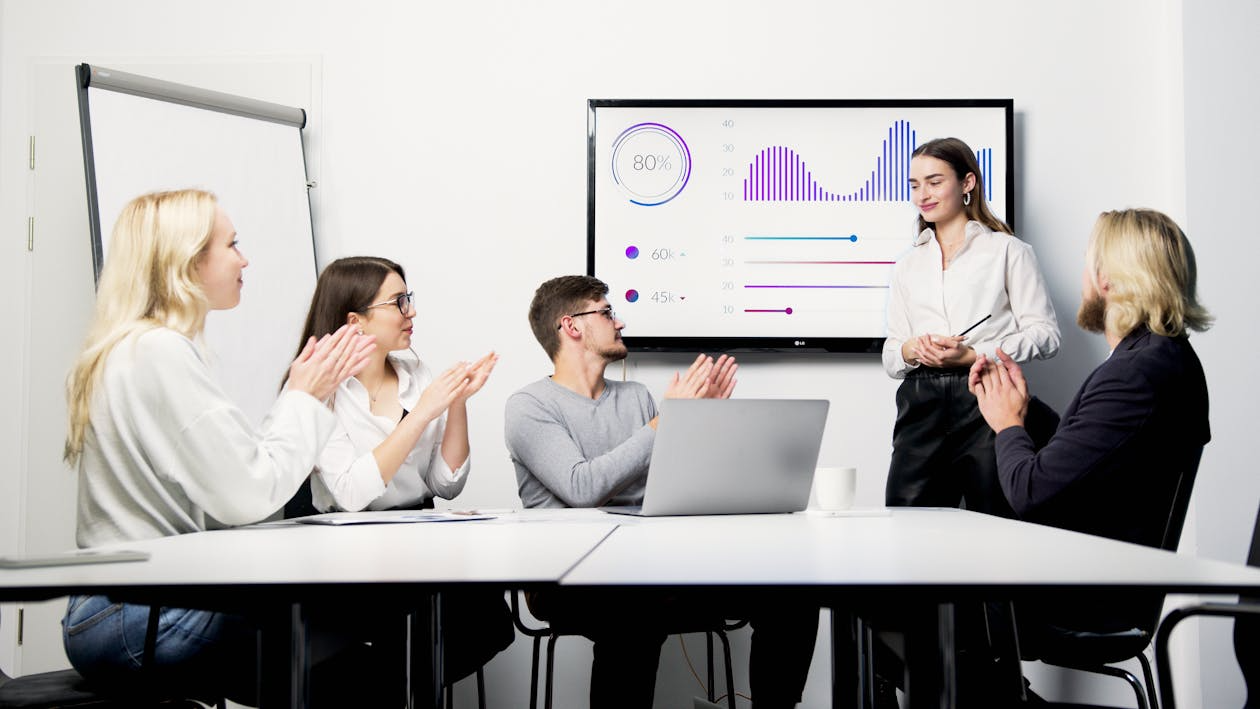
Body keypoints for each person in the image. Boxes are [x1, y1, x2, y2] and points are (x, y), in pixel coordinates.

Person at [60, 189, 375, 703]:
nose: (243, 258)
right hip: (132, 618)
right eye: (231, 244)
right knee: (349, 643)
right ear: (187, 262)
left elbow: (232, 488)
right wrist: (304, 394)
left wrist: (303, 398)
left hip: (112, 614)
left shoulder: (133, 348)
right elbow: (248, 495)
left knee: (341, 642)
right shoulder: (159, 351)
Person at [504, 275, 818, 709]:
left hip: (654, 565)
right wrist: (665, 421)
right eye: (607, 312)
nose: (620, 322)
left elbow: (676, 487)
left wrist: (700, 424)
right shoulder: (529, 406)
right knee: (632, 611)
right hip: (568, 576)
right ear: (571, 326)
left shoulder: (635, 397)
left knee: (791, 588)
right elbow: (581, 488)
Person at [968, 208, 1211, 691]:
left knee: (900, 602)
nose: (1083, 275)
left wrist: (1006, 425)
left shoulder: (1135, 375)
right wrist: (1024, 408)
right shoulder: (1164, 360)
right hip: (1108, 581)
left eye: (1087, 263)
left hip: (1084, 599)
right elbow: (1092, 457)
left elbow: (1032, 491)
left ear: (1110, 280)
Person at [290, 255, 514, 684]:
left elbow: (444, 484)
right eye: (398, 302)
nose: (411, 312)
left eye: (408, 299)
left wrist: (456, 404)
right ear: (355, 321)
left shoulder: (415, 371)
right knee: (401, 629)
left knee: (487, 617)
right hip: (347, 552)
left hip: (417, 533)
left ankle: (395, 689)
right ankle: (393, 689)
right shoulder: (316, 387)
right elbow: (352, 494)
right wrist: (422, 414)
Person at [882, 137, 1060, 516]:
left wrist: (974, 354)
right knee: (904, 524)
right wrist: (913, 349)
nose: (922, 195)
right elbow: (892, 353)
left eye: (934, 181)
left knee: (998, 523)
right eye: (914, 185)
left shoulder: (1008, 251)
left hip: (987, 398)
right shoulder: (907, 266)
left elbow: (1046, 335)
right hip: (920, 404)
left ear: (967, 183)